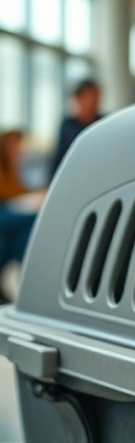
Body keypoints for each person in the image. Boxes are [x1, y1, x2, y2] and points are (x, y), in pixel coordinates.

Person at [0, 130, 40, 301]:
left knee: (30, 220)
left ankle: (14, 267)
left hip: (8, 213)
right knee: (29, 220)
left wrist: (35, 193)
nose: (21, 151)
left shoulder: (12, 167)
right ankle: (13, 267)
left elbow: (18, 190)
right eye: (17, 146)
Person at [49, 79, 103, 179]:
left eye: (96, 96)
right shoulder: (68, 125)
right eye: (89, 97)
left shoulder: (104, 122)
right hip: (73, 177)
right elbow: (59, 157)